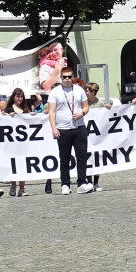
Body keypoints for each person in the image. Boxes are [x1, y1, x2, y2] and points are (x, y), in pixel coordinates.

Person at [48, 66, 91, 194]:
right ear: (61, 77)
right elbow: (51, 111)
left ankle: (82, 183)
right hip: (63, 129)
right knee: (64, 158)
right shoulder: (55, 92)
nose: (67, 79)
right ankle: (65, 184)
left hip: (79, 127)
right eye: (64, 77)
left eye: (69, 77)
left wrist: (82, 113)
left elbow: (86, 107)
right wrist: (54, 128)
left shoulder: (79, 90)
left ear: (73, 77)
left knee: (82, 157)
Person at [1, 87, 30, 197]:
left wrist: (32, 115)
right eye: (18, 96)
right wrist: (7, 116)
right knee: (14, 165)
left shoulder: (25, 109)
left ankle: (22, 188)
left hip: (23, 143)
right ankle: (13, 185)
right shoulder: (9, 109)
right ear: (13, 97)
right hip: (12, 143)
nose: (20, 99)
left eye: (21, 96)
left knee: (23, 165)